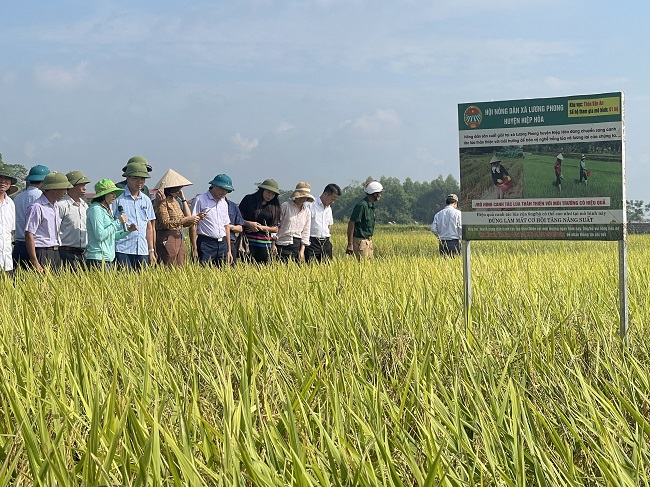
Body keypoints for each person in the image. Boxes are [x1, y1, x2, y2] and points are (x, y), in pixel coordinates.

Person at [24, 172, 72, 272]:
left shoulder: (56, 207)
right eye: (63, 189)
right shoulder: (37, 207)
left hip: (55, 252)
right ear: (54, 189)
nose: (65, 192)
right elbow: (29, 234)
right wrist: (35, 262)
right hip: (42, 252)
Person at [112, 161, 157, 269]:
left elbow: (149, 227)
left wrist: (151, 250)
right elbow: (110, 221)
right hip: (122, 248)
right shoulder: (117, 198)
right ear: (127, 178)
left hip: (142, 249)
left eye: (143, 179)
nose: (140, 182)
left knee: (142, 283)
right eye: (136, 178)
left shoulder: (146, 200)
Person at [152, 169, 200, 266]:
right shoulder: (161, 202)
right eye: (176, 188)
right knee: (169, 264)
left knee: (180, 265)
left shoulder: (175, 201)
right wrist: (185, 220)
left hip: (178, 236)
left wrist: (195, 219)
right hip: (167, 237)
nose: (179, 190)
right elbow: (165, 222)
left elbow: (185, 219)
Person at [86, 179, 135, 269]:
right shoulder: (96, 210)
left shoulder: (107, 210)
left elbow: (112, 236)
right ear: (103, 195)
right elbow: (100, 235)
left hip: (107, 259)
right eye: (111, 193)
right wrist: (118, 222)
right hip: (98, 259)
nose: (114, 195)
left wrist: (128, 230)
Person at [190, 174, 233, 266]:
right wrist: (194, 248)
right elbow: (193, 225)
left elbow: (226, 226)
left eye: (226, 190)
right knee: (204, 273)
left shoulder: (224, 203)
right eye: (222, 188)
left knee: (222, 275)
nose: (224, 192)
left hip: (222, 244)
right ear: (214, 186)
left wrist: (229, 250)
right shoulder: (200, 200)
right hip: (206, 244)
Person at [12, 164, 50, 269]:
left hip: (19, 244)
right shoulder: (42, 198)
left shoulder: (18, 198)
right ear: (44, 181)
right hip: (36, 246)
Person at [238, 179, 281, 264]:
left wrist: (259, 227)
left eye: (273, 194)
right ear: (262, 190)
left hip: (265, 244)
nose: (270, 196)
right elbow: (238, 218)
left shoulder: (275, 206)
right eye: (268, 192)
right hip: (247, 243)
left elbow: (275, 229)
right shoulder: (249, 199)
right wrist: (249, 224)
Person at [56, 170, 90, 268]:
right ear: (71, 186)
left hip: (82, 254)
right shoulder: (61, 205)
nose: (84, 188)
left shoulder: (85, 206)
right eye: (81, 185)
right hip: (65, 252)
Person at [276, 182, 314, 262]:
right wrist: (273, 244)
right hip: (282, 242)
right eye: (301, 196)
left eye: (305, 197)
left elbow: (306, 231)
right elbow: (276, 224)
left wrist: (302, 250)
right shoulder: (285, 206)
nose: (302, 199)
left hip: (297, 244)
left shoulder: (307, 211)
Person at [346, 180, 383, 260]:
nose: (380, 195)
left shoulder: (370, 206)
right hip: (360, 242)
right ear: (374, 193)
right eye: (379, 193)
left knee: (369, 268)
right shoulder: (362, 205)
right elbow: (351, 223)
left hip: (368, 241)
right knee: (362, 267)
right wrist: (350, 244)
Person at [305, 183, 340, 263]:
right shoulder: (310, 205)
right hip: (312, 242)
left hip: (326, 242)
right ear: (325, 194)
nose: (333, 202)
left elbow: (328, 226)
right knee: (310, 267)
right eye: (332, 199)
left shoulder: (329, 209)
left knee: (327, 269)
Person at [0, 165, 18, 276]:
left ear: (10, 183)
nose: (3, 181)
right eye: (0, 178)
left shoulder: (10, 203)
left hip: (6, 261)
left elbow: (10, 231)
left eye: (6, 179)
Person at [226, 194, 245, 264]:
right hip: (212, 243)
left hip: (231, 243)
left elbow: (240, 228)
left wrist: (229, 227)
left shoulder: (233, 206)